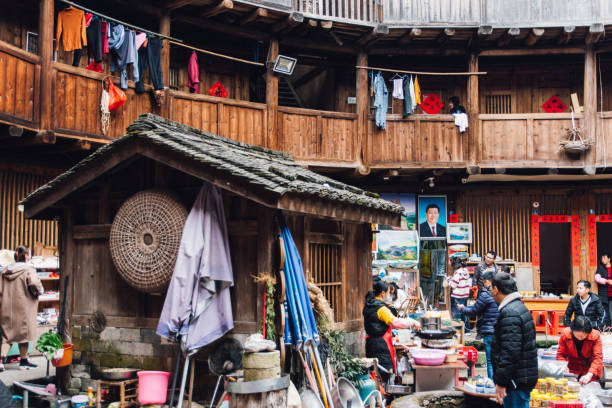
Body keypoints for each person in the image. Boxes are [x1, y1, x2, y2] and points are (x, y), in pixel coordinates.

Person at [490, 272, 538, 408]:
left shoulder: (510, 313)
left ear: (496, 289)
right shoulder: (518, 307)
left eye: (491, 289)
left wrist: (501, 382)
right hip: (520, 377)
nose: (491, 293)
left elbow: (510, 352)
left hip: (516, 380)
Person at [363, 279, 421, 372]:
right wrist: (412, 322)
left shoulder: (369, 305)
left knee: (374, 372)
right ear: (382, 293)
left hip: (370, 343)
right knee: (384, 372)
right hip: (381, 345)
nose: (388, 295)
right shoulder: (381, 309)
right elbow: (395, 322)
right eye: (388, 293)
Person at [0, 246, 43, 371]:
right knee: (24, 333)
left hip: (6, 307)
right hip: (24, 307)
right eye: (29, 254)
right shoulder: (28, 269)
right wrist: (38, 292)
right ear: (26, 256)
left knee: (7, 335)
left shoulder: (4, 271)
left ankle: (1, 361)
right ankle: (23, 362)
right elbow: (35, 284)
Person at [458, 271, 499, 379]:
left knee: (490, 361)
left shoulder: (485, 295)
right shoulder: (500, 294)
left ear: (487, 281)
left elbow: (474, 311)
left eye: (484, 282)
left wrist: (462, 309)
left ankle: (492, 384)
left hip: (489, 331)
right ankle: (499, 384)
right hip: (500, 331)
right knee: (498, 361)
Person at [556, 316, 603, 385]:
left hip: (590, 370)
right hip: (572, 370)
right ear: (572, 330)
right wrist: (563, 366)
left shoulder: (595, 336)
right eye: (579, 336)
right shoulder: (565, 334)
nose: (581, 338)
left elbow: (597, 358)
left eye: (584, 336)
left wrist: (590, 374)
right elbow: (561, 354)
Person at [449, 257, 471, 334]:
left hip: (457, 295)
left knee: (457, 314)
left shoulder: (458, 273)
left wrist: (449, 281)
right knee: (464, 312)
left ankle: (458, 331)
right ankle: (467, 331)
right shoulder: (466, 271)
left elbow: (453, 285)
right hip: (465, 295)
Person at [595, 253, 612, 327]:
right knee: (605, 310)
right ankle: (607, 326)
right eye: (602, 258)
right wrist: (607, 281)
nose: (603, 260)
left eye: (604, 258)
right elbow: (597, 278)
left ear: (609, 259)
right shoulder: (600, 268)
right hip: (604, 293)